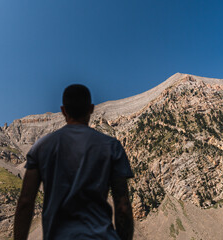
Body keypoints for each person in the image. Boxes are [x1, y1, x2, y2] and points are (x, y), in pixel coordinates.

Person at [14, 84, 134, 240]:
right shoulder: (112, 146)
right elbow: (122, 205)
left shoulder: (42, 147)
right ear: (91, 109)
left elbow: (26, 201)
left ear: (63, 110)